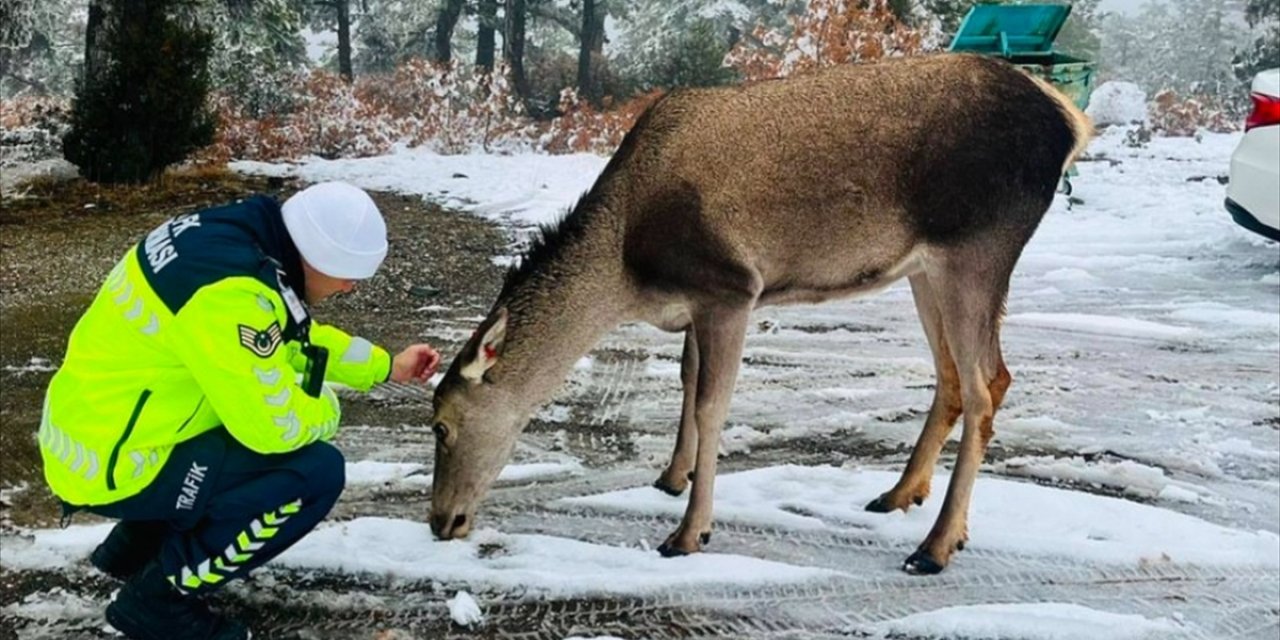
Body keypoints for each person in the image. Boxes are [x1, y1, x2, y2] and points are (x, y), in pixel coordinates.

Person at [38, 181, 440, 640]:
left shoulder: (233, 244)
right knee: (312, 473)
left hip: (99, 430)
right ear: (319, 256)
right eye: (348, 274)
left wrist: (386, 365)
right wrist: (326, 411)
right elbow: (274, 430)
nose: (350, 287)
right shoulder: (230, 297)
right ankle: (158, 600)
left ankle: (132, 550)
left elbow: (291, 337)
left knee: (231, 418)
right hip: (114, 464)